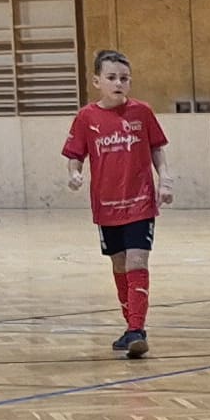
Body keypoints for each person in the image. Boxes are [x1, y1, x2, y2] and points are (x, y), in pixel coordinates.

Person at [60, 49, 170, 358]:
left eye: (124, 78)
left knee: (137, 261)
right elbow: (74, 155)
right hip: (107, 206)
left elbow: (157, 148)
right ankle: (130, 327)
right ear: (97, 81)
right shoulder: (86, 118)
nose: (118, 83)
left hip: (140, 203)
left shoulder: (142, 113)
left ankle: (137, 329)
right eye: (111, 77)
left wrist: (165, 179)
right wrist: (74, 174)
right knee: (119, 264)